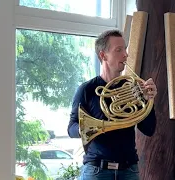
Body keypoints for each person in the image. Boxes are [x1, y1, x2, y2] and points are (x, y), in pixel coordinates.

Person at [67, 29, 157, 180]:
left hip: (129, 170)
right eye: (119, 50)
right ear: (103, 55)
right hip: (96, 170)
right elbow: (71, 129)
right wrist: (92, 127)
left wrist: (148, 100)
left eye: (125, 49)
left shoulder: (133, 87)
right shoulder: (86, 89)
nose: (125, 55)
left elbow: (148, 129)